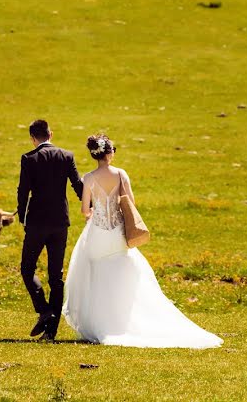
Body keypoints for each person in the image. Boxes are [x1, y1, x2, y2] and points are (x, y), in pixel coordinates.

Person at [62, 133, 222, 348]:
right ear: (109, 153)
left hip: (98, 232)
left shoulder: (89, 178)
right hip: (118, 232)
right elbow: (131, 203)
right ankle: (124, 319)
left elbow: (84, 210)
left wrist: (96, 212)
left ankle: (102, 323)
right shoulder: (120, 174)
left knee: (97, 276)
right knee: (121, 271)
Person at [17, 119, 83, 341]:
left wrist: (22, 216)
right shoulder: (66, 156)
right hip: (60, 222)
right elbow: (77, 185)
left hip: (36, 222)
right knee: (56, 276)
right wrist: (91, 206)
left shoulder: (28, 158)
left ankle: (44, 309)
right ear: (50, 134)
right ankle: (51, 331)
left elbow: (23, 191)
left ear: (32, 138)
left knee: (27, 268)